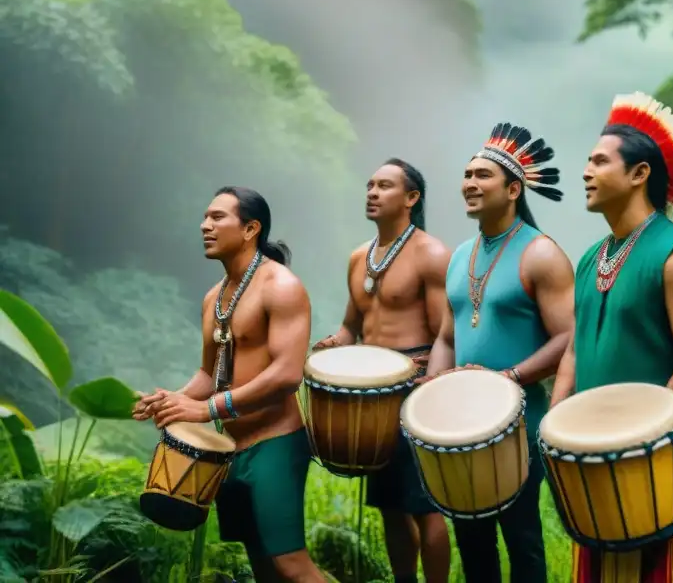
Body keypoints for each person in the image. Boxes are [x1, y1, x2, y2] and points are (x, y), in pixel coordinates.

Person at [550, 91, 673, 583]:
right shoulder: (591, 258)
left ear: (639, 174)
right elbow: (576, 347)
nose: (586, 171)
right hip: (597, 460)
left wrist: (644, 433)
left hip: (663, 467)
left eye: (599, 161)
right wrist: (558, 424)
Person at [133, 186, 327, 583]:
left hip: (276, 443)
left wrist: (206, 410)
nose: (206, 225)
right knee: (261, 562)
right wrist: (173, 399)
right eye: (205, 216)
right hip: (229, 450)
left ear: (250, 228)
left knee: (290, 564)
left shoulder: (281, 286)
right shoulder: (213, 298)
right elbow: (210, 374)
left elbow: (288, 374)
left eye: (218, 217)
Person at [423, 122, 576, 583]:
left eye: (482, 175)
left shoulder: (542, 253)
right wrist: (432, 390)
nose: (469, 183)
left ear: (513, 188)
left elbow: (568, 336)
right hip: (462, 423)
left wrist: (508, 378)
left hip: (519, 422)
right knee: (471, 541)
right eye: (467, 174)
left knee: (522, 538)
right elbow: (447, 338)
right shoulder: (460, 256)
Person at [312, 158, 451, 583]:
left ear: (411, 199)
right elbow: (351, 326)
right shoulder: (359, 257)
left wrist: (424, 378)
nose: (372, 192)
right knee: (390, 505)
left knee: (425, 505)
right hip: (372, 399)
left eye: (385, 186)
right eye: (370, 185)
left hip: (415, 390)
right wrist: (331, 346)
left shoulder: (431, 253)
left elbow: (444, 332)